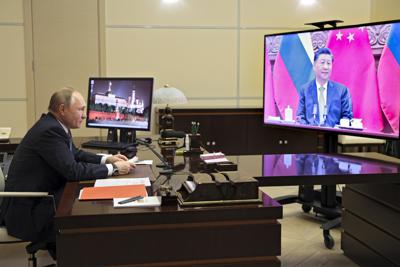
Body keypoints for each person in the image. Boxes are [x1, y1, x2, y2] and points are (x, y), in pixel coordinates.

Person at [0, 87, 135, 258]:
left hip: (39, 198)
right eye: (80, 109)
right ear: (62, 109)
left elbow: (75, 154)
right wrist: (114, 169)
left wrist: (106, 159)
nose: (84, 115)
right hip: (29, 209)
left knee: (87, 202)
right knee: (88, 216)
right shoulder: (50, 131)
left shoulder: (55, 125)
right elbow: (73, 171)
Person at [296, 47, 353, 127]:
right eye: (322, 63)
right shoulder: (305, 90)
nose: (325, 67)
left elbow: (347, 117)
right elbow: (300, 117)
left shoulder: (342, 90)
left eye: (328, 63)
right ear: (314, 66)